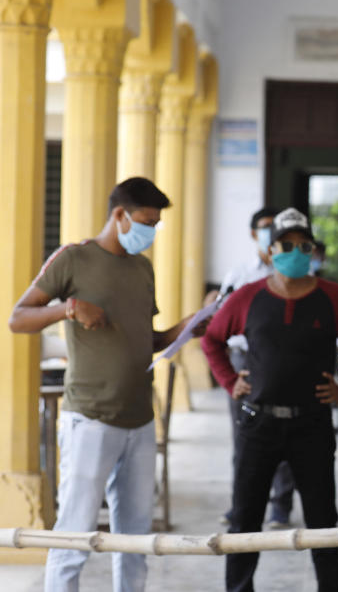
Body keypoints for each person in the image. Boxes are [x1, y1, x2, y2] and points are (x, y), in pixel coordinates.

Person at [8, 177, 208, 592]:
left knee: (134, 538)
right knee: (74, 533)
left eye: (155, 224)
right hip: (91, 418)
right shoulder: (74, 259)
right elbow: (18, 317)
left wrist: (184, 329)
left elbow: (145, 339)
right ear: (119, 215)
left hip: (139, 418)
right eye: (146, 222)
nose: (150, 232)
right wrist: (68, 308)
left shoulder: (142, 267)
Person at [202, 207, 338, 592]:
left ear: (312, 250)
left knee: (323, 520)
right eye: (286, 244)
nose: (295, 251)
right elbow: (211, 340)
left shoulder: (332, 298)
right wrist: (229, 381)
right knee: (245, 520)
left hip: (312, 425)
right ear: (271, 249)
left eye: (302, 245)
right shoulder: (247, 297)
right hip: (258, 425)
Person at [212, 207, 297, 530]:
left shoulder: (295, 273)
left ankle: (280, 506)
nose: (270, 232)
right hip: (244, 361)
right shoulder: (240, 273)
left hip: (282, 359)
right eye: (264, 227)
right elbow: (217, 323)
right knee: (244, 434)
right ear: (253, 234)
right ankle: (242, 504)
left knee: (285, 431)